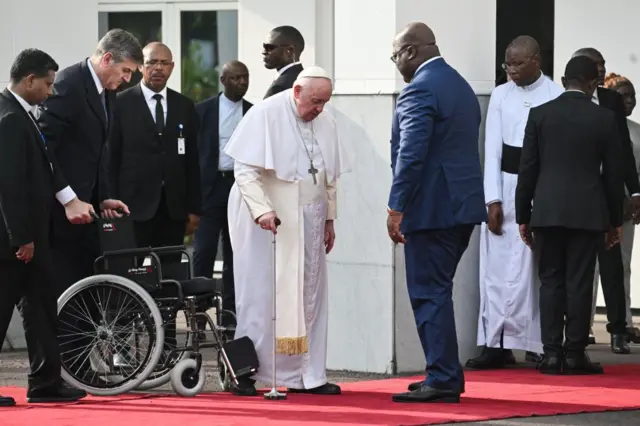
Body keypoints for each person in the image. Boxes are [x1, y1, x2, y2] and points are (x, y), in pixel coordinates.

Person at [224, 66, 350, 397]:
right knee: (263, 295)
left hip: (309, 220)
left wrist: (329, 219)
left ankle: (308, 375)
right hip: (269, 219)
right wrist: (262, 209)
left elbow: (329, 175)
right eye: (314, 101)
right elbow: (244, 170)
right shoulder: (265, 114)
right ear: (297, 92)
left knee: (310, 297)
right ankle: (246, 373)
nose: (319, 109)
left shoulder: (325, 117)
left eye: (324, 102)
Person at [386, 22, 487, 403]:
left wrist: (396, 206)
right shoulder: (458, 84)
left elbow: (410, 155)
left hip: (431, 210)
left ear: (411, 52)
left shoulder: (420, 89)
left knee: (429, 293)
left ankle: (442, 378)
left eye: (395, 56)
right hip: (460, 208)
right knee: (437, 291)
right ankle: (442, 371)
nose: (396, 63)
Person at [37, 28, 142, 375]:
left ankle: (78, 369)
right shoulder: (68, 84)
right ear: (107, 58)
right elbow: (43, 149)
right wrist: (68, 199)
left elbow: (98, 153)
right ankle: (66, 370)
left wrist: (103, 196)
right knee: (66, 290)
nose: (126, 80)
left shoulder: (104, 91)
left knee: (84, 288)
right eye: (125, 71)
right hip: (57, 213)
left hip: (86, 211)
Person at [515, 56, 624, 375]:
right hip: (587, 214)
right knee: (579, 282)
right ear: (593, 84)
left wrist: (524, 214)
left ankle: (550, 355)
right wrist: (614, 220)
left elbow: (528, 169)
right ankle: (575, 354)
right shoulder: (604, 119)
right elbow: (613, 176)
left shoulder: (540, 115)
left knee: (550, 282)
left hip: (547, 212)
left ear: (563, 81)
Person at [0, 49, 90, 406]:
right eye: (48, 84)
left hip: (33, 237)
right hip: (15, 241)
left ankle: (45, 381)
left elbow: (46, 170)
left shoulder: (25, 115)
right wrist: (21, 238)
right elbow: (9, 186)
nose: (52, 92)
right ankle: (44, 379)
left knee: (41, 308)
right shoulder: (8, 118)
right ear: (29, 80)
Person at [470, 36, 563, 370]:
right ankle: (495, 343)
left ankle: (536, 342)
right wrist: (492, 199)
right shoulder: (500, 94)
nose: (509, 70)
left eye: (516, 64)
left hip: (537, 190)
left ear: (536, 60)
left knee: (533, 270)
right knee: (494, 271)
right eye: (506, 64)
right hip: (504, 187)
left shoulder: (555, 95)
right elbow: (492, 149)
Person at [572, 47, 638, 354]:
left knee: (613, 266)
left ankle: (618, 331)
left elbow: (624, 152)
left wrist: (633, 192)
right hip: (577, 197)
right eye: (594, 65)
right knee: (581, 267)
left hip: (610, 197)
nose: (600, 70)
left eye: (603, 65)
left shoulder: (611, 102)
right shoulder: (565, 103)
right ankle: (579, 330)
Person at [108, 42, 201, 253]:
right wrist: (111, 200)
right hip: (132, 209)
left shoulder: (184, 106)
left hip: (173, 210)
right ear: (140, 66)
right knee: (130, 274)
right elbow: (111, 158)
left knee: (171, 275)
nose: (158, 68)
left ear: (172, 67)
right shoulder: (120, 104)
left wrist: (194, 209)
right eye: (152, 62)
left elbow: (192, 160)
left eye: (164, 63)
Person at [193, 60, 252, 318]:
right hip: (209, 188)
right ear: (223, 80)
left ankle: (229, 317)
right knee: (203, 251)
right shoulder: (202, 111)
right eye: (236, 78)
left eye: (245, 78)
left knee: (234, 253)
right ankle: (199, 312)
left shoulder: (253, 112)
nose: (242, 83)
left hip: (239, 188)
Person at [603, 72, 640, 344]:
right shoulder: (602, 124)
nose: (629, 100)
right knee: (592, 268)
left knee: (623, 264)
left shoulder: (637, 130)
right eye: (622, 95)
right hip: (600, 202)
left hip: (627, 207)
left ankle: (625, 321)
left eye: (632, 95)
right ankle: (585, 325)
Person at [262, 26, 305, 98]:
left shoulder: (280, 87)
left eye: (269, 48)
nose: (264, 52)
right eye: (264, 47)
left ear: (289, 51)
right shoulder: (304, 78)